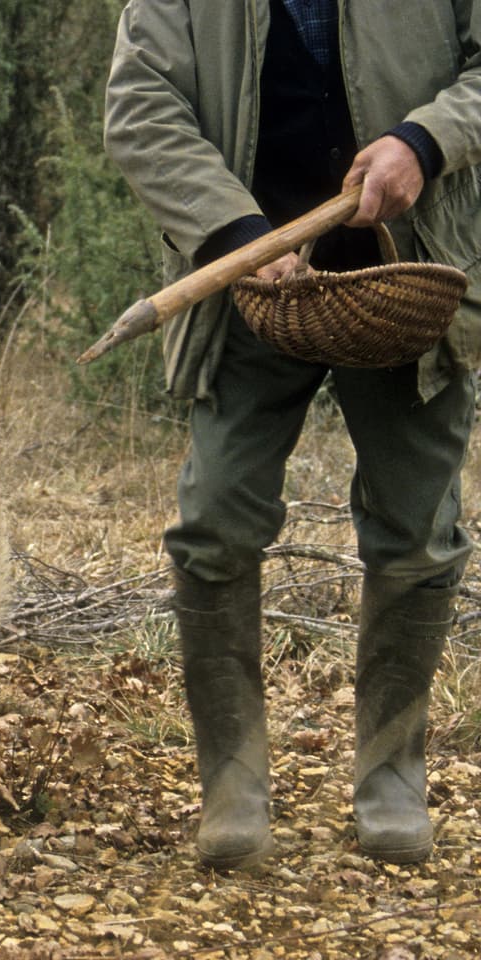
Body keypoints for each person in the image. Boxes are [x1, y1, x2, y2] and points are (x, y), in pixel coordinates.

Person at [103, 0, 481, 869]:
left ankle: (392, 778)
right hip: (249, 282)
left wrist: (423, 142)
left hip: (414, 270)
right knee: (213, 523)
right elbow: (141, 104)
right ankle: (233, 786)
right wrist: (236, 233)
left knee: (418, 530)